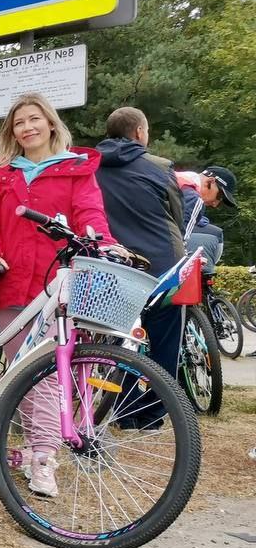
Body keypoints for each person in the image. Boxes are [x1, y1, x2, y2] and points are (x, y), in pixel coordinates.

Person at [0, 93, 117, 498]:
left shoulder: (76, 169)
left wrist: (104, 244)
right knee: (21, 373)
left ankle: (43, 458)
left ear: (51, 124)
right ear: (12, 132)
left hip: (57, 285)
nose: (27, 127)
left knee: (47, 376)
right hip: (11, 284)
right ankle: (29, 446)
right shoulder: (3, 177)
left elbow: (91, 216)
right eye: (19, 122)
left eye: (34, 119)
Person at [95, 107, 186, 426]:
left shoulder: (90, 166)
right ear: (138, 133)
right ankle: (154, 413)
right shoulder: (160, 167)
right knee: (164, 341)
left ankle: (124, 410)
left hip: (113, 266)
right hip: (162, 266)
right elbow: (176, 215)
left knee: (120, 339)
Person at [177, 166, 239, 273]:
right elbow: (177, 244)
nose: (215, 204)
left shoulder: (174, 177)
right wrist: (191, 262)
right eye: (219, 196)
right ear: (210, 181)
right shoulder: (194, 199)